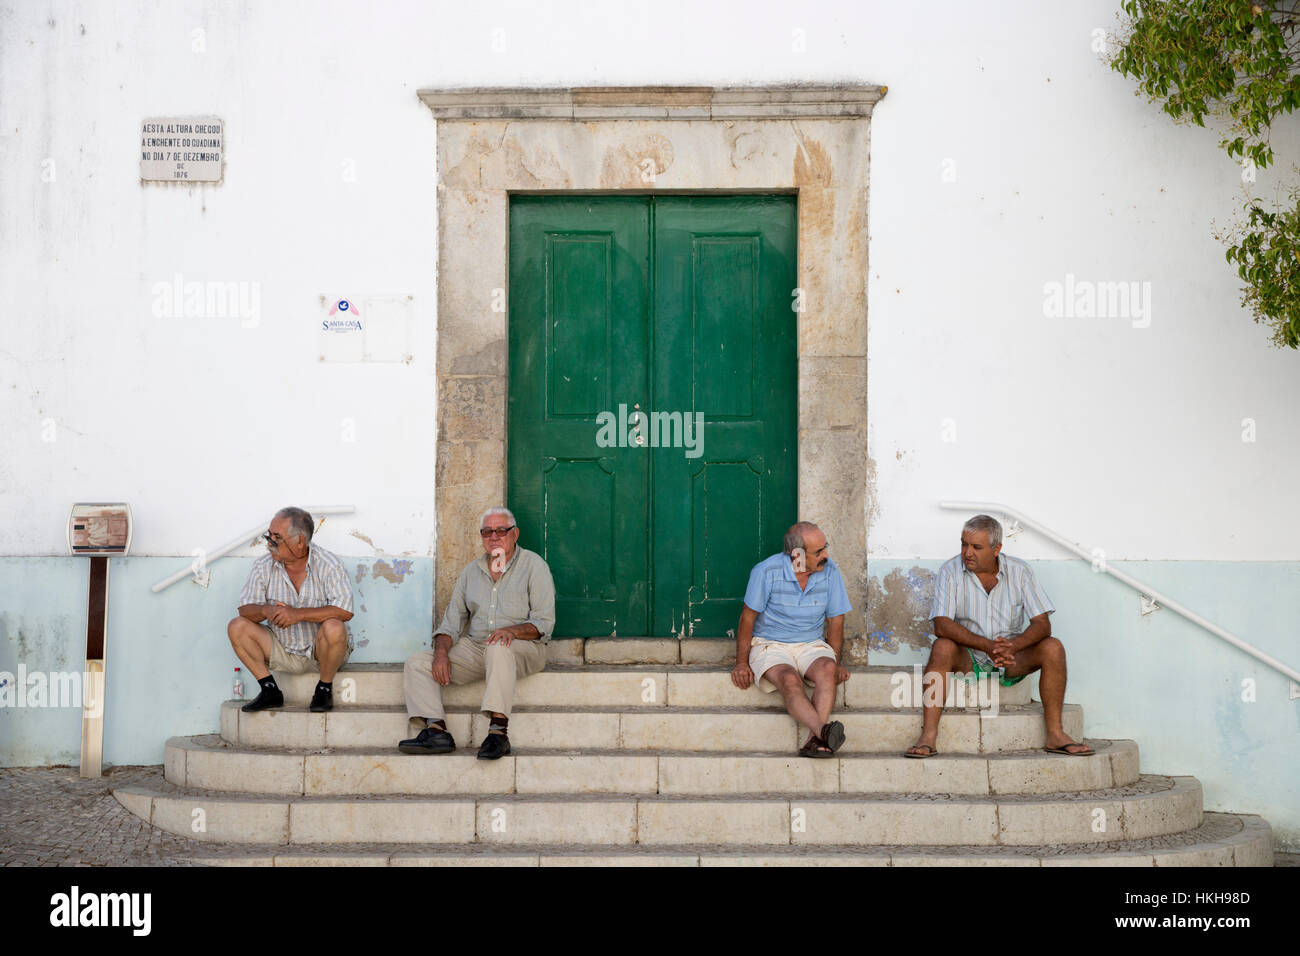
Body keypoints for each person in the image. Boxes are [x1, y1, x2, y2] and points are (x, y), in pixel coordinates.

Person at [904, 513, 1094, 758]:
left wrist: (1013, 646)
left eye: (976, 547)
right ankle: (928, 735)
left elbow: (1042, 624)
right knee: (942, 646)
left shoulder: (1020, 571)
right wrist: (987, 646)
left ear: (997, 549)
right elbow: (941, 624)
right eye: (964, 544)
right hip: (970, 657)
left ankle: (1055, 734)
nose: (967, 553)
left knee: (1053, 647)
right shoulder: (950, 571)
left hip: (1012, 657)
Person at [399, 507, 555, 760]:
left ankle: (498, 734)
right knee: (417, 663)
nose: (494, 537)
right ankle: (437, 731)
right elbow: (450, 623)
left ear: (514, 534)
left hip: (525, 647)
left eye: (501, 531)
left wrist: (511, 631)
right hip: (477, 647)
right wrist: (440, 653)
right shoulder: (472, 572)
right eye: (487, 532)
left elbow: (543, 623)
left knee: (498, 646)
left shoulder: (534, 566)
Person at [730, 521, 852, 757]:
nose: (826, 555)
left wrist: (836, 662)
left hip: (811, 644)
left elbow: (836, 622)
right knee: (789, 680)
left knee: (827, 669)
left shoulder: (831, 571)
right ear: (797, 554)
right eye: (819, 552)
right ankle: (822, 732)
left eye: (825, 548)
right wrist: (742, 663)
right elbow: (747, 618)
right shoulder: (766, 571)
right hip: (770, 644)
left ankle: (815, 739)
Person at [227, 506, 354, 713]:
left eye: (277, 537)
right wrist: (265, 610)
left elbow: (345, 611)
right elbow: (245, 609)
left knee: (334, 626)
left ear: (300, 541)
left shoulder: (329, 564)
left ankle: (324, 689)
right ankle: (269, 690)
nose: (269, 542)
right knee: (237, 626)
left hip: (319, 652)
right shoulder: (263, 565)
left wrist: (297, 614)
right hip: (282, 648)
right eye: (269, 535)